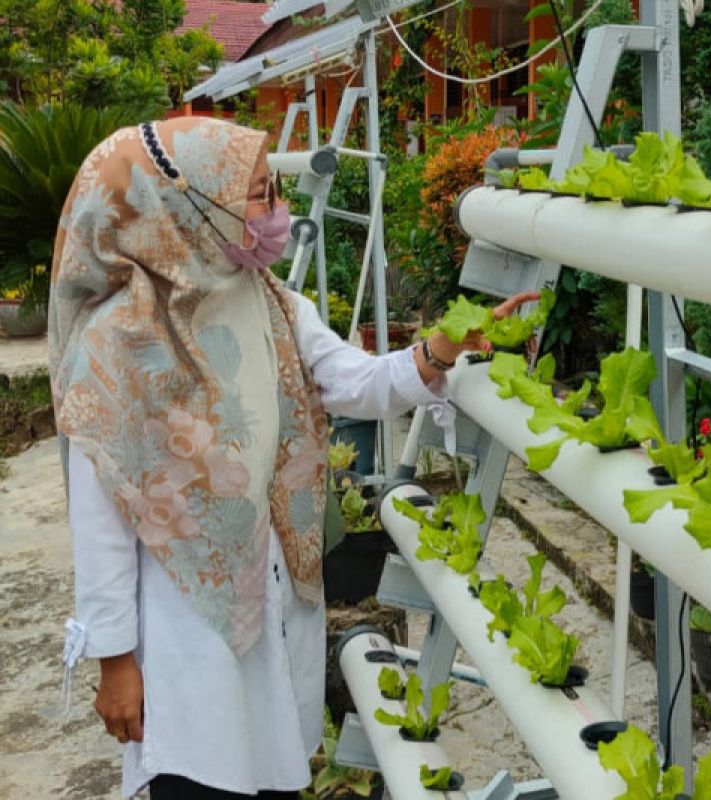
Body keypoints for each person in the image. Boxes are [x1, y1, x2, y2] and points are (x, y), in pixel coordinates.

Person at [48, 116, 538, 799]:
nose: (277, 212)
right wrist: (114, 661)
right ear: (194, 207)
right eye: (257, 195)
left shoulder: (275, 305)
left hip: (268, 612)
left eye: (274, 189)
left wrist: (443, 349)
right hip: (180, 641)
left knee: (272, 766)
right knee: (198, 776)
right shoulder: (115, 347)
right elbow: (100, 528)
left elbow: (357, 382)